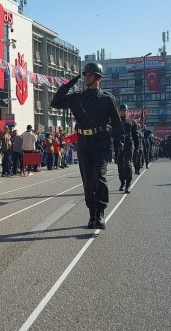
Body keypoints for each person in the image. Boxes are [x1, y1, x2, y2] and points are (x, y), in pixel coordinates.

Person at [50, 62, 122, 229]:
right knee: (88, 180)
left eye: (89, 75)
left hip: (102, 141)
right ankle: (92, 214)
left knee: (100, 176)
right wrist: (69, 84)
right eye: (85, 74)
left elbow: (117, 126)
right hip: (84, 142)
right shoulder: (77, 98)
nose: (86, 77)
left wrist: (119, 148)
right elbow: (56, 102)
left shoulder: (107, 99)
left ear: (98, 77)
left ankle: (101, 213)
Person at [116, 103, 139, 193]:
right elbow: (111, 134)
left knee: (127, 164)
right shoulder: (116, 122)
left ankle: (128, 184)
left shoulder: (132, 122)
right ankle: (122, 182)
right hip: (119, 145)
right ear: (119, 111)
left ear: (127, 111)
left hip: (128, 144)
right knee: (120, 165)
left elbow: (135, 136)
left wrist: (137, 148)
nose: (123, 112)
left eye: (124, 111)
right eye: (121, 111)